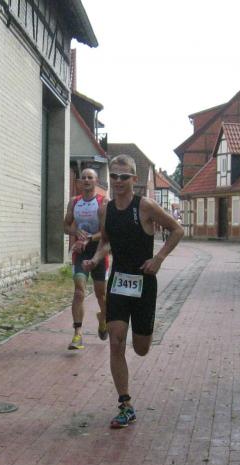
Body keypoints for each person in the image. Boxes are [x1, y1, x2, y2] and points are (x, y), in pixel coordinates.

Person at [82, 155, 184, 428]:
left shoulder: (146, 207)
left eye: (123, 177)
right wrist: (95, 259)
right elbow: (106, 241)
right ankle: (125, 405)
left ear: (134, 180)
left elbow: (177, 230)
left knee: (140, 349)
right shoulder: (106, 210)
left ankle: (145, 328)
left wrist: (159, 258)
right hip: (118, 282)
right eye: (114, 176)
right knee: (116, 342)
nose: (118, 181)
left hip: (143, 283)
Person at [63, 168, 109, 350]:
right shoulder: (74, 202)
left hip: (98, 251)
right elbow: (65, 226)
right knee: (79, 291)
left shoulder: (103, 202)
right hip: (80, 251)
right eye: (83, 178)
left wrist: (90, 237)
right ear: (79, 182)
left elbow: (107, 232)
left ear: (96, 181)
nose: (87, 180)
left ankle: (103, 319)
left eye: (90, 177)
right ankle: (77, 334)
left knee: (101, 294)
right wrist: (76, 231)